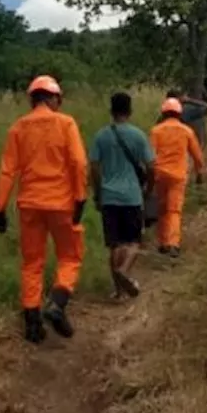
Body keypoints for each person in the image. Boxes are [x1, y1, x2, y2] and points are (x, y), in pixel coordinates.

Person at [0, 75, 89, 344]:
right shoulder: (66, 123)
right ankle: (57, 304)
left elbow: (7, 171)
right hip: (61, 203)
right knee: (70, 256)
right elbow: (79, 163)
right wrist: (80, 198)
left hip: (30, 205)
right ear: (54, 98)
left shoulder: (18, 128)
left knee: (32, 263)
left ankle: (32, 324)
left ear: (32, 99)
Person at [89, 91, 154, 301]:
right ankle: (124, 270)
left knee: (115, 244)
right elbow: (152, 166)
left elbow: (94, 168)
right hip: (132, 196)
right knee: (134, 242)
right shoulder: (138, 135)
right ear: (130, 111)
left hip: (109, 197)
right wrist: (148, 189)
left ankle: (118, 291)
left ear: (111, 110)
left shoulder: (101, 136)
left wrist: (98, 194)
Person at [150, 98, 205, 257]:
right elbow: (197, 156)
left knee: (162, 209)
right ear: (179, 112)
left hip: (159, 175)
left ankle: (163, 243)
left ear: (163, 112)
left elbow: (150, 156)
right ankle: (173, 243)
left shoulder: (156, 131)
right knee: (174, 210)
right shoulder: (186, 131)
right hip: (178, 176)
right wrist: (199, 172)